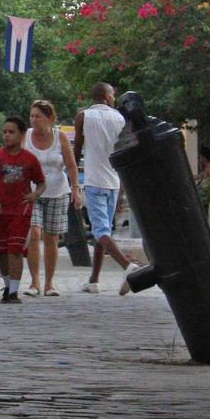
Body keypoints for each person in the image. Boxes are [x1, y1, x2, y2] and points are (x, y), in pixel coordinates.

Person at [75, 82, 140, 294]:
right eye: (112, 95)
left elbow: (76, 152)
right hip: (113, 181)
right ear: (105, 97)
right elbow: (124, 151)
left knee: (100, 231)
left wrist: (73, 177)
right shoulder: (120, 119)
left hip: (94, 180)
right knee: (103, 232)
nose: (114, 98)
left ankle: (127, 266)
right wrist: (123, 185)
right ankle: (93, 280)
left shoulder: (83, 117)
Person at [0, 116, 46, 304]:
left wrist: (35, 195)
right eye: (5, 132)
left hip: (21, 211)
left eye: (11, 132)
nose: (7, 135)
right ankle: (7, 284)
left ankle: (14, 292)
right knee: (1, 251)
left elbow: (41, 183)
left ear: (22, 134)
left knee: (15, 249)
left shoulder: (30, 159)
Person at [21, 100, 82, 296]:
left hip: (57, 191)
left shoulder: (60, 137)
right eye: (31, 116)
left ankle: (49, 283)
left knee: (51, 238)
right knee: (34, 234)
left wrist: (76, 189)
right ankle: (34, 282)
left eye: (38, 116)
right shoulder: (27, 137)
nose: (33, 120)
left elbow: (72, 166)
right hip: (32, 193)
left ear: (50, 118)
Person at [195, 144, 210, 219]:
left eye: (200, 157)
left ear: (204, 157)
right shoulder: (206, 168)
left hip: (204, 194)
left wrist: (205, 181)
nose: (199, 159)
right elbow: (199, 176)